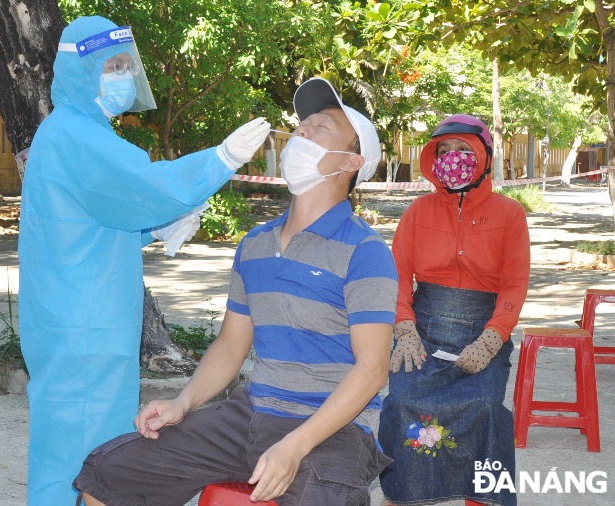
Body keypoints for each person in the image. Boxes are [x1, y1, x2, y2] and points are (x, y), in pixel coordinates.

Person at [72, 77, 399, 506]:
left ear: (350, 161)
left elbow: (372, 369)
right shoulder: (256, 244)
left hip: (331, 428)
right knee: (108, 472)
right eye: (302, 125)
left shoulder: (366, 251)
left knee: (325, 497)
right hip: (250, 415)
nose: (302, 131)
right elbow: (230, 345)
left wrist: (295, 446)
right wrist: (182, 403)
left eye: (321, 127)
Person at [18, 15, 270, 506]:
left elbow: (84, 225)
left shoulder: (72, 131)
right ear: (80, 72)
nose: (123, 76)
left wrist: (153, 228)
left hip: (76, 314)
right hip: (84, 323)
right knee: (84, 448)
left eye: (125, 65)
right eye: (111, 66)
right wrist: (219, 159)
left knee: (72, 438)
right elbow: (146, 188)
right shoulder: (77, 135)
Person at [378, 114, 530, 506]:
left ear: (484, 157)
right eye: (444, 151)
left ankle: (483, 498)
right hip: (424, 333)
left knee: (483, 408)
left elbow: (514, 285)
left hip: (483, 333)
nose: (453, 157)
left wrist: (492, 339)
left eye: (464, 149)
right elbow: (396, 277)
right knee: (402, 404)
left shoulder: (510, 214)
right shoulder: (417, 212)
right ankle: (404, 496)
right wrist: (405, 329)